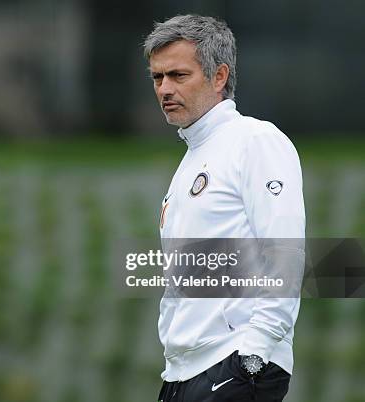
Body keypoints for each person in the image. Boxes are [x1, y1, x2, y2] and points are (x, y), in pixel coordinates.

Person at [143, 15, 306, 401]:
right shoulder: (191, 158)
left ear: (219, 77)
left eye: (179, 75)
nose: (165, 88)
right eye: (157, 77)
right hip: (183, 371)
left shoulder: (255, 140)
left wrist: (255, 353)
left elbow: (285, 252)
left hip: (234, 365)